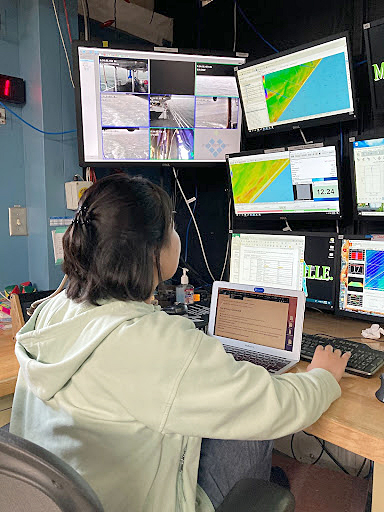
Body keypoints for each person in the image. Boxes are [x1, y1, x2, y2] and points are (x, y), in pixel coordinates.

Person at [10, 174, 350, 512]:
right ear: (151, 250)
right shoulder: (150, 342)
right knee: (251, 420)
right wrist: (321, 378)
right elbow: (274, 405)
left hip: (70, 494)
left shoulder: (52, 310)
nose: (177, 237)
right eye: (171, 228)